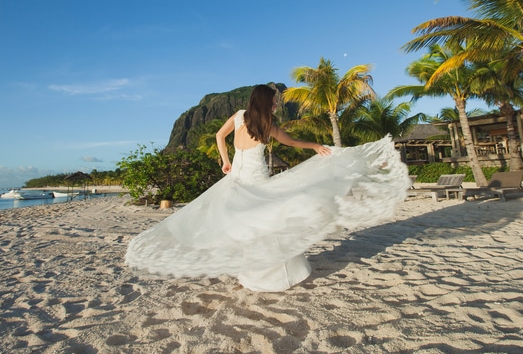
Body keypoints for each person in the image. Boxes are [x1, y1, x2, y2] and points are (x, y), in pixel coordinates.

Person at [125, 84, 410, 292]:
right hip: (255, 180)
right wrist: (315, 146)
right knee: (268, 225)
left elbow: (219, 136)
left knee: (249, 227)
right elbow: (291, 143)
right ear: (264, 103)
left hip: (237, 179)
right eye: (273, 102)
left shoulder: (240, 116)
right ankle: (271, 276)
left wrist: (225, 162)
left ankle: (255, 275)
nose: (276, 105)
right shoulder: (268, 125)